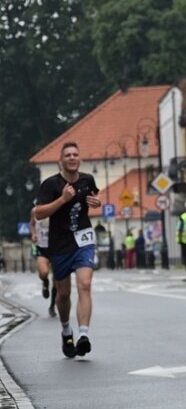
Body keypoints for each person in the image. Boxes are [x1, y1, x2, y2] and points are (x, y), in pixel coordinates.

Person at [34, 142, 101, 357]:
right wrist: (62, 199)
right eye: (68, 155)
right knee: (63, 294)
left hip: (83, 239)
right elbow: (39, 213)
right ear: (61, 161)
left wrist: (96, 202)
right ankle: (66, 331)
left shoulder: (87, 180)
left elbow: (92, 199)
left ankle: (83, 336)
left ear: (79, 159)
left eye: (75, 154)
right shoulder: (50, 185)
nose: (72, 158)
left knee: (85, 284)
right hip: (60, 244)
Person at [29, 206, 57, 317]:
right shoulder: (35, 210)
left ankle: (52, 306)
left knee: (57, 281)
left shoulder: (57, 207)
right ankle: (45, 282)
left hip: (56, 248)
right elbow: (32, 224)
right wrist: (33, 234)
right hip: (41, 247)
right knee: (43, 272)